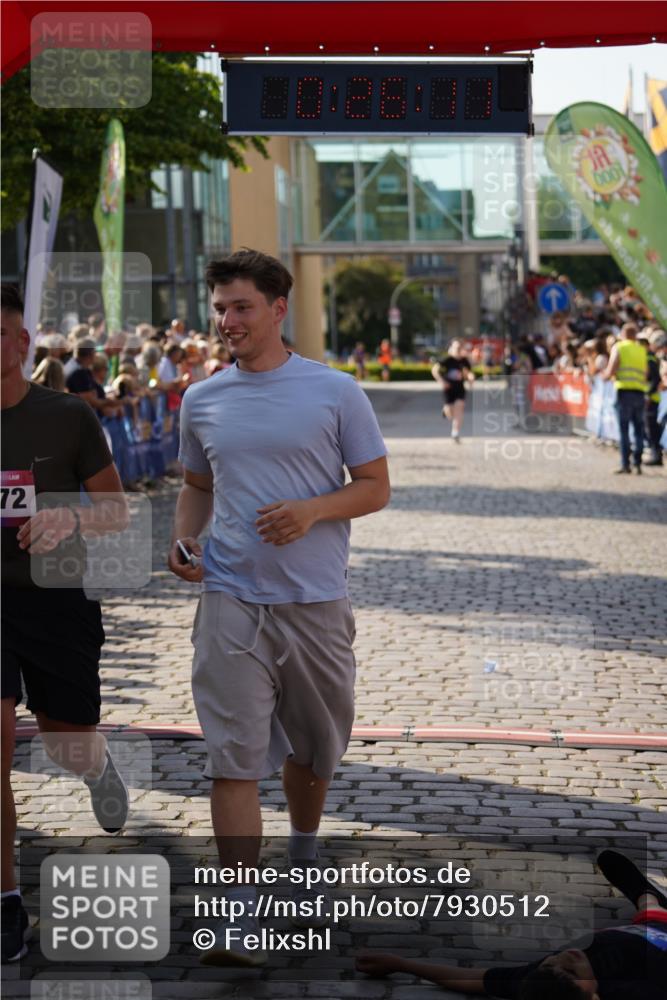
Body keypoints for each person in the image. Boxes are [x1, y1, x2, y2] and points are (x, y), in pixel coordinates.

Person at [167, 249, 389, 967]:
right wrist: (182, 540)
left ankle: (302, 854)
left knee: (313, 751)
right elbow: (197, 486)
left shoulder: (334, 391)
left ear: (276, 309)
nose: (227, 321)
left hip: (315, 602)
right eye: (220, 308)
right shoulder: (200, 398)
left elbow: (375, 486)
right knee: (231, 760)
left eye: (241, 308)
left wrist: (312, 510)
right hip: (230, 595)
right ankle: (239, 920)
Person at [1, 285, 130, 964]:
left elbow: (117, 511)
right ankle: (5, 905)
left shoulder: (67, 415)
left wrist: (68, 516)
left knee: (64, 742)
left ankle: (97, 765)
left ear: (22, 344)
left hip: (54, 598)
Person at [355, 850, 667, 999]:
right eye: (571, 971)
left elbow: (471, 979)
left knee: (647, 911)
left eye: (551, 964)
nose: (564, 958)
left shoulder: (538, 982)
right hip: (658, 934)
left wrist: (402, 964)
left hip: (627, 936)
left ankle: (646, 896)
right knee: (653, 913)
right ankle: (647, 897)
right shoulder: (636, 991)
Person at [601, 322, 648, 475]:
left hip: (624, 392)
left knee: (624, 430)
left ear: (623, 334)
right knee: (639, 429)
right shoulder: (642, 350)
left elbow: (611, 368)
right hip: (640, 393)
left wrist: (606, 376)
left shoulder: (619, 347)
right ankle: (638, 463)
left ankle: (625, 464)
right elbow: (646, 373)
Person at [431, 339, 474, 443]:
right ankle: (446, 411)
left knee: (459, 409)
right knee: (450, 413)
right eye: (456, 347)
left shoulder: (464, 361)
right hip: (448, 389)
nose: (458, 349)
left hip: (460, 388)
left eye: (460, 347)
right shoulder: (447, 359)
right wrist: (442, 382)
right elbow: (435, 370)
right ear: (452, 348)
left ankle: (455, 433)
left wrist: (470, 378)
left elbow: (467, 373)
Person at [644, 332, 664, 467]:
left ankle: (656, 455)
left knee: (652, 428)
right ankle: (655, 453)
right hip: (654, 397)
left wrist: (648, 395)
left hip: (652, 399)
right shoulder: (653, 357)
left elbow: (655, 379)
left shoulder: (650, 358)